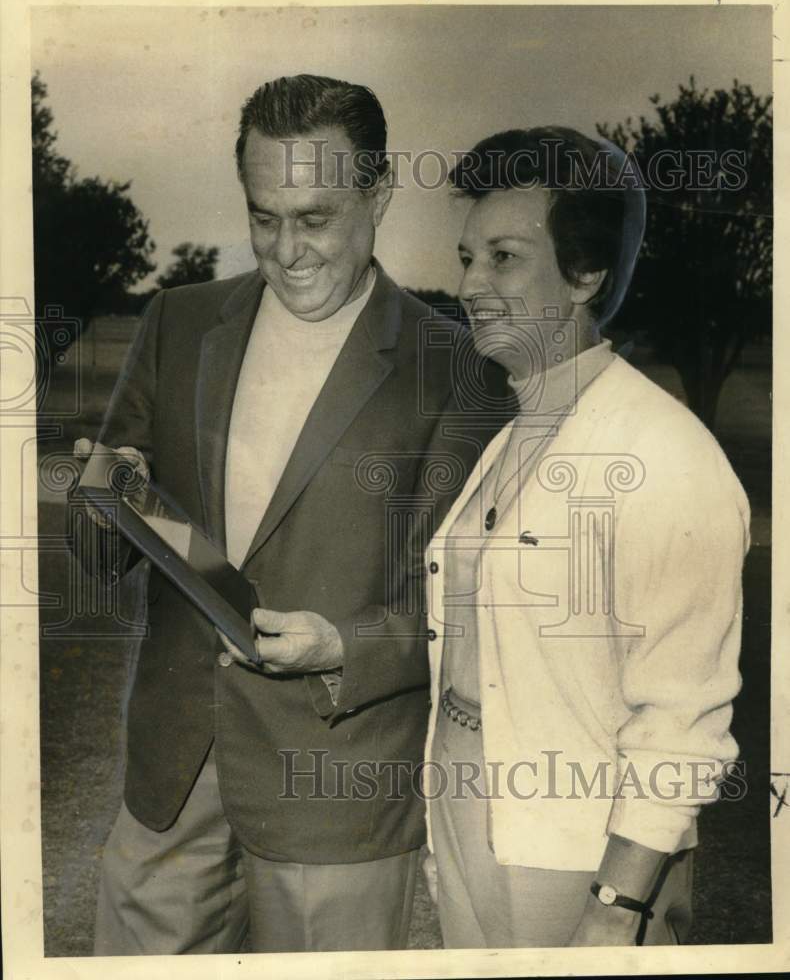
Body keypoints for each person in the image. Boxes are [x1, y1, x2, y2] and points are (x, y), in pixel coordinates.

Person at [73, 74, 505, 954]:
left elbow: (474, 601)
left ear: (378, 194)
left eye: (314, 218)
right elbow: (106, 550)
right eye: (263, 217)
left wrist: (344, 647)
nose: (286, 249)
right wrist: (101, 498)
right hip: (172, 776)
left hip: (337, 788)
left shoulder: (457, 369)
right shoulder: (177, 322)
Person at [421, 127, 750, 947]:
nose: (469, 284)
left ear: (587, 274)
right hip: (467, 807)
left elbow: (683, 719)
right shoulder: (511, 433)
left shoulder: (664, 453)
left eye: (502, 257)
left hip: (580, 848)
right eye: (466, 257)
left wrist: (617, 908)